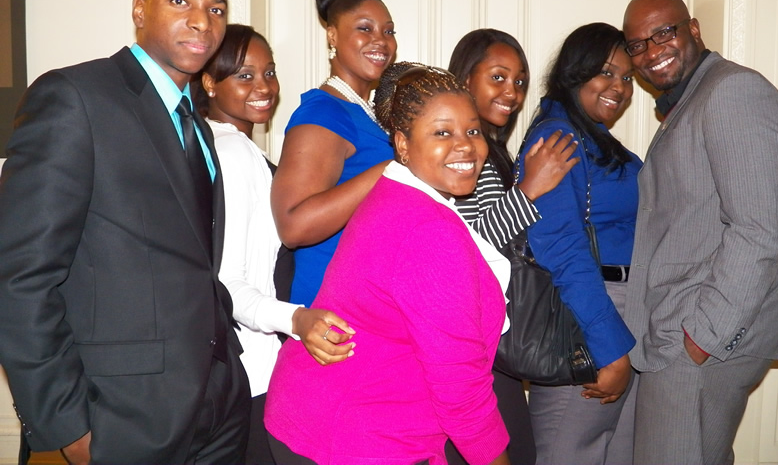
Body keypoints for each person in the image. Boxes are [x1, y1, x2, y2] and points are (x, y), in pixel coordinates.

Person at [0, 0, 249, 464]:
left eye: (217, 8)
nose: (202, 21)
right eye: (180, 1)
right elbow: (20, 275)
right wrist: (65, 424)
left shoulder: (198, 125)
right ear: (140, 9)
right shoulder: (75, 97)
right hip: (121, 414)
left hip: (218, 405)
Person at [265, 65, 511, 465]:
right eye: (443, 133)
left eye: (473, 131)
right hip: (355, 438)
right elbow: (460, 387)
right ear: (403, 144)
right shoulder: (428, 230)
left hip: (323, 416)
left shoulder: (393, 193)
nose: (466, 146)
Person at [621, 0, 778, 465]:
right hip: (679, 336)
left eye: (664, 32)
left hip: (700, 340)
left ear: (693, 29)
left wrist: (703, 336)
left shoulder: (733, 92)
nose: (652, 51)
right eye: (637, 44)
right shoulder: (693, 98)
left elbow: (759, 229)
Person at [194, 24, 356, 464]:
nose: (264, 87)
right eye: (244, 75)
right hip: (250, 373)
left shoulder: (220, 146)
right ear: (209, 82)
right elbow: (228, 283)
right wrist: (297, 319)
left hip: (246, 369)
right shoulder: (233, 153)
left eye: (269, 72)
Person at [442, 29, 579, 465]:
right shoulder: (463, 153)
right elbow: (467, 248)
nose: (512, 93)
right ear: (465, 78)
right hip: (472, 344)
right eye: (498, 77)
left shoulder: (490, 149)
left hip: (489, 339)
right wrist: (528, 192)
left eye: (520, 82)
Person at [516, 23, 641, 464]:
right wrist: (609, 348)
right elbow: (562, 248)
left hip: (616, 312)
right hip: (587, 319)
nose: (619, 87)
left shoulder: (590, 136)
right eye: (606, 72)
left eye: (627, 77)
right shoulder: (559, 139)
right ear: (576, 71)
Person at [271, 0, 395, 307]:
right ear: (333, 35)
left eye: (389, 31)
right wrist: (390, 169)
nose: (381, 41)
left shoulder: (368, 112)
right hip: (332, 309)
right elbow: (294, 226)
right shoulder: (324, 112)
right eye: (365, 28)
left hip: (369, 298)